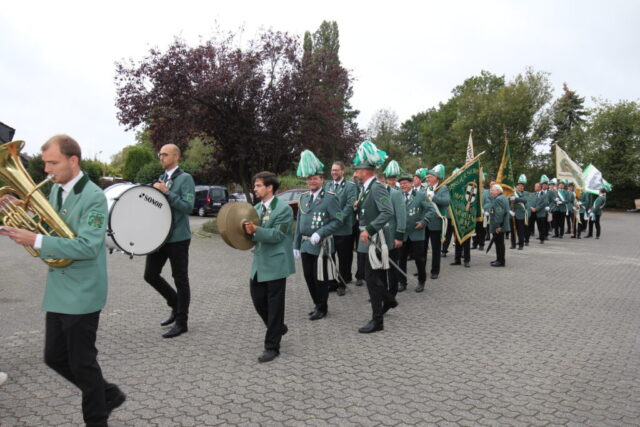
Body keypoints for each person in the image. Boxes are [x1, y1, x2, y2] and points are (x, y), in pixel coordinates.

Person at [0, 135, 125, 426]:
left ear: (73, 161)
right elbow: (50, 227)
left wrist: (36, 239)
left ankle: (97, 418)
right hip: (59, 290)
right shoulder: (56, 190)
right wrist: (21, 213)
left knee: (82, 364)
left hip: (83, 292)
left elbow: (88, 246)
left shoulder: (93, 196)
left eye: (52, 163)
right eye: (45, 163)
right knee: (54, 357)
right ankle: (107, 394)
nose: (46, 169)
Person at [143, 144, 195, 338]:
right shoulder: (162, 178)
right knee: (150, 275)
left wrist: (167, 192)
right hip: (160, 237)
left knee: (180, 279)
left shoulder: (185, 178)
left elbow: (188, 206)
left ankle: (182, 322)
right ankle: (175, 303)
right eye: (160, 154)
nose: (161, 157)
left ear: (176, 156)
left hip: (178, 238)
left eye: (165, 154)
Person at [242, 172, 295, 363]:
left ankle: (272, 347)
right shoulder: (256, 209)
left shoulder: (284, 209)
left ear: (270, 187)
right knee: (258, 300)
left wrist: (256, 230)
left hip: (276, 263)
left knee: (275, 306)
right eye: (255, 186)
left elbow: (277, 235)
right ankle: (278, 327)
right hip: (259, 263)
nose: (255, 189)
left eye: (258, 185)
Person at [352, 141, 398, 333]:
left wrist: (369, 229)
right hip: (367, 240)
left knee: (372, 279)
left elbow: (387, 211)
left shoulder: (377, 187)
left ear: (365, 171)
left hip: (375, 239)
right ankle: (389, 300)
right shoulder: (366, 188)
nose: (355, 174)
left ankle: (377, 320)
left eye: (357, 170)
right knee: (371, 277)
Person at [293, 150, 341, 321]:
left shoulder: (330, 198)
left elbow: (337, 221)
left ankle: (322, 307)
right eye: (309, 179)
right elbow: (299, 223)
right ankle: (317, 303)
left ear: (322, 180)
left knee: (320, 278)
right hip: (306, 245)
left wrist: (320, 233)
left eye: (315, 178)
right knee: (308, 277)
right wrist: (296, 245)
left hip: (321, 245)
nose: (312, 181)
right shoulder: (303, 198)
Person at [325, 161, 358, 296]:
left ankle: (342, 283)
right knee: (330, 257)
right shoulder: (327, 185)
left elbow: (349, 205)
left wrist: (338, 218)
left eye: (336, 170)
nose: (334, 172)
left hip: (343, 228)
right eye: (333, 170)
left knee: (344, 258)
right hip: (329, 229)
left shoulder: (350, 186)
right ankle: (332, 282)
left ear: (342, 171)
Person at [397, 173, 429, 292]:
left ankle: (421, 281)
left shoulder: (420, 195)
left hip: (417, 233)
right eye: (401, 184)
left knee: (419, 259)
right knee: (401, 259)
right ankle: (402, 282)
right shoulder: (397, 195)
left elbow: (430, 210)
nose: (403, 185)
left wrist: (423, 222)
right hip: (402, 233)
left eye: (405, 183)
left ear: (411, 184)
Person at [380, 163, 406, 297]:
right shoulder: (374, 194)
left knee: (392, 266)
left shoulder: (395, 194)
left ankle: (392, 293)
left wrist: (399, 236)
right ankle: (382, 292)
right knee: (380, 267)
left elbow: (401, 216)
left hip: (391, 235)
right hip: (379, 236)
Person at [424, 165, 450, 279]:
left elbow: (446, 201)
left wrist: (434, 197)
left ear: (435, 177)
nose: (427, 179)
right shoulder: (426, 188)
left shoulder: (442, 188)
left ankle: (435, 271)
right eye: (427, 177)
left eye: (429, 177)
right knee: (422, 249)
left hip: (436, 223)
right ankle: (421, 270)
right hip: (425, 222)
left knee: (435, 249)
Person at [488, 184, 510, 267]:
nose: (491, 192)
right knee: (500, 243)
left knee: (499, 244)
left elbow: (499, 213)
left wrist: (497, 226)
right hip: (502, 224)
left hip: (499, 226)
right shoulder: (503, 197)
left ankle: (500, 261)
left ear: (498, 191)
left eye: (492, 190)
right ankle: (499, 259)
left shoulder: (498, 199)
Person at [509, 174, 529, 250]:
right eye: (520, 186)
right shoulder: (512, 193)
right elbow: (508, 202)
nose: (521, 187)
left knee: (521, 231)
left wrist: (516, 199)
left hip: (520, 215)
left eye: (522, 186)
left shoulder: (525, 193)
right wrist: (510, 210)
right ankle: (513, 244)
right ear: (517, 186)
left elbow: (524, 200)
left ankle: (521, 245)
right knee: (513, 231)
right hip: (512, 214)